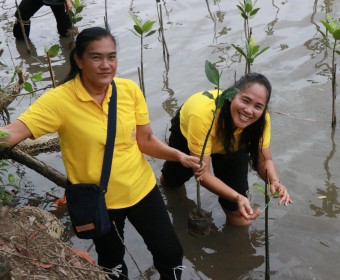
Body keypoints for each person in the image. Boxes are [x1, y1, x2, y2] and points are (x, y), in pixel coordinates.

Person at [0, 27, 205, 280]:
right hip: (98, 200)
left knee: (170, 253)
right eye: (96, 57)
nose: (106, 65)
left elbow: (146, 140)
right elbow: (11, 133)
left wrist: (180, 156)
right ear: (78, 59)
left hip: (141, 189)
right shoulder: (59, 101)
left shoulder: (128, 90)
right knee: (113, 263)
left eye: (112, 57)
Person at [161, 73, 293, 226]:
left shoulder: (261, 120)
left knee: (239, 213)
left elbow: (264, 159)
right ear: (231, 96)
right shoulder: (202, 116)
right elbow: (202, 174)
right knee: (172, 182)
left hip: (233, 145)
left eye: (258, 106)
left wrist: (274, 182)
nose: (249, 111)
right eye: (245, 100)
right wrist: (237, 196)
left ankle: (237, 247)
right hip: (190, 133)